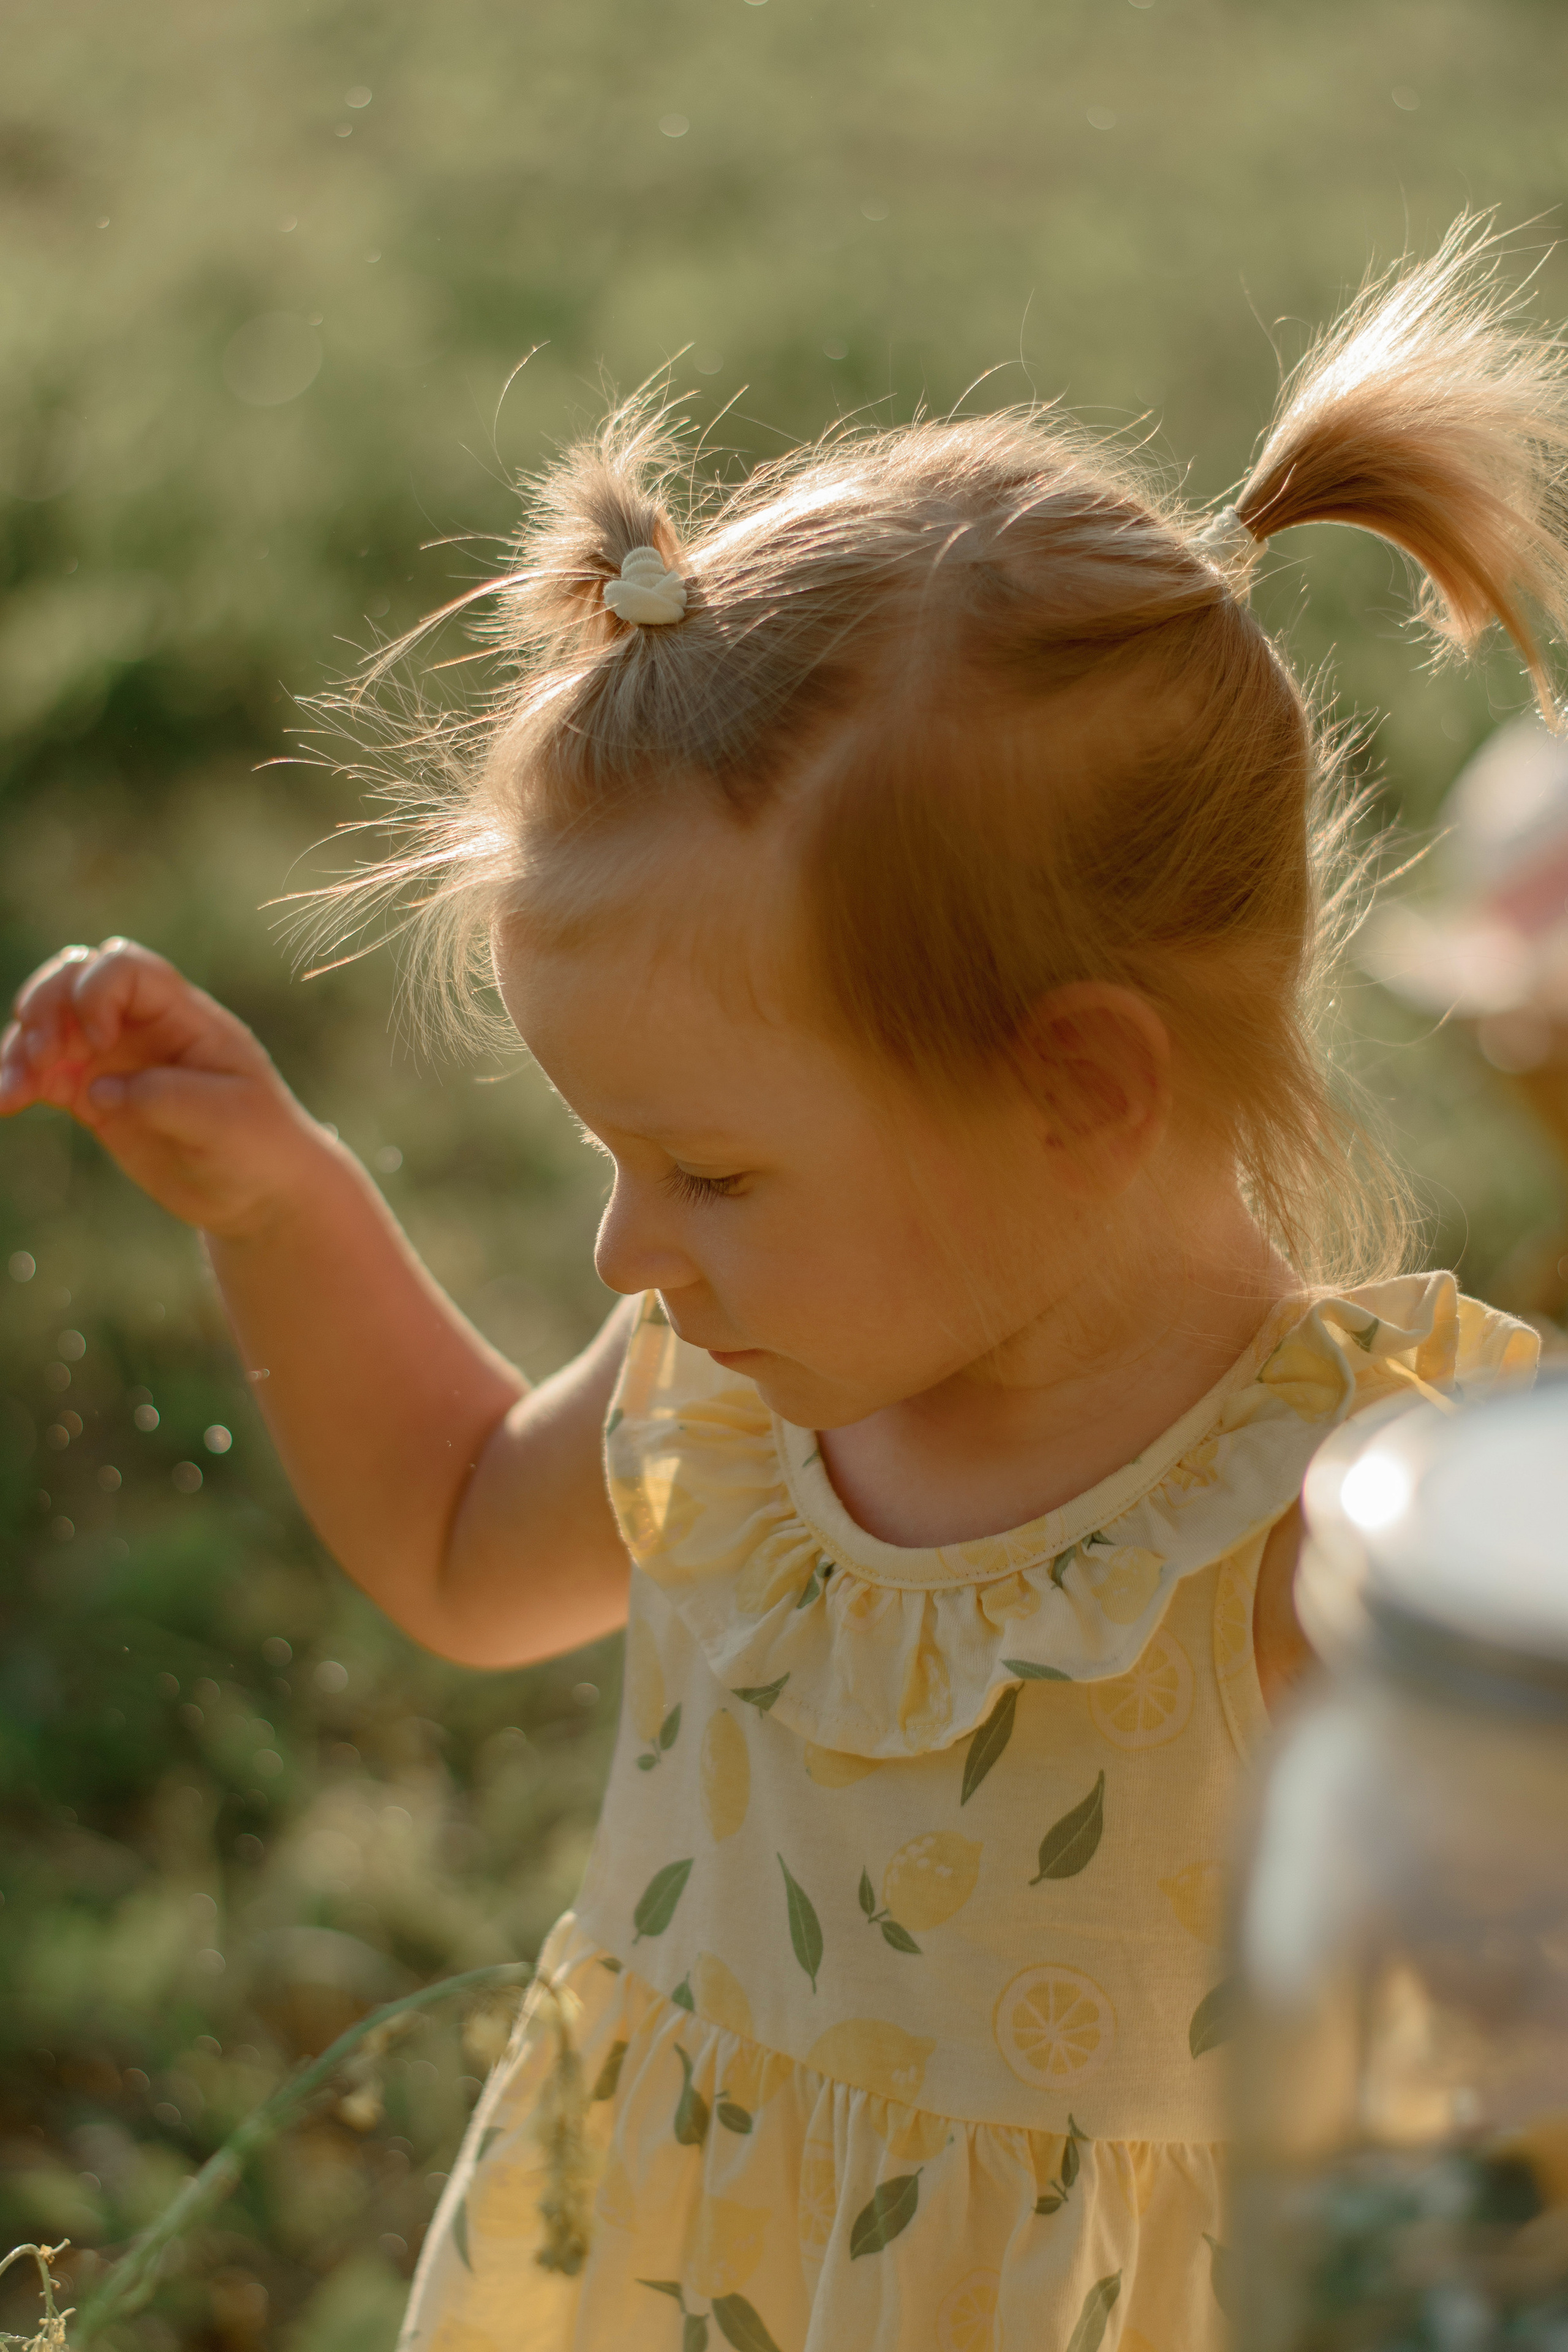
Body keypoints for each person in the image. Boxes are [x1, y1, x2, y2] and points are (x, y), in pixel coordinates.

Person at [0, 218, 1551, 2351]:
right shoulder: (734, 1413)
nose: (631, 1255)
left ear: (1075, 1093)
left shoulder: (1325, 1526)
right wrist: (282, 1206)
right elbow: (462, 1542)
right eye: (614, 1160)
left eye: (710, 1170)